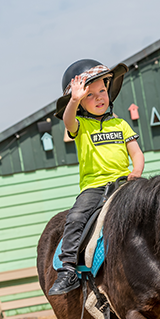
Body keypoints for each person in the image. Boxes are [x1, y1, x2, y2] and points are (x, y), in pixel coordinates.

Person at [49, 59, 145, 296]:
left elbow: (137, 153)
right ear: (81, 103)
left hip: (124, 183)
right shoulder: (80, 125)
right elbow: (68, 121)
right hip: (93, 187)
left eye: (102, 90)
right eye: (90, 95)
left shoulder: (121, 124)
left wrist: (137, 171)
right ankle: (68, 269)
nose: (100, 97)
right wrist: (73, 99)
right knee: (75, 218)